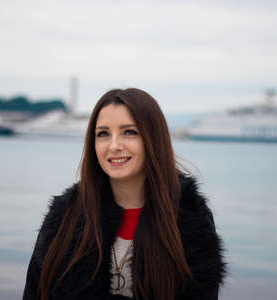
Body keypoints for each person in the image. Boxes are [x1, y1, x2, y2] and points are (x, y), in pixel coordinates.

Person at [23, 88, 226, 300]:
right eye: (103, 134)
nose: (114, 145)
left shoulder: (190, 218)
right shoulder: (63, 217)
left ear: (153, 139)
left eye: (129, 132)